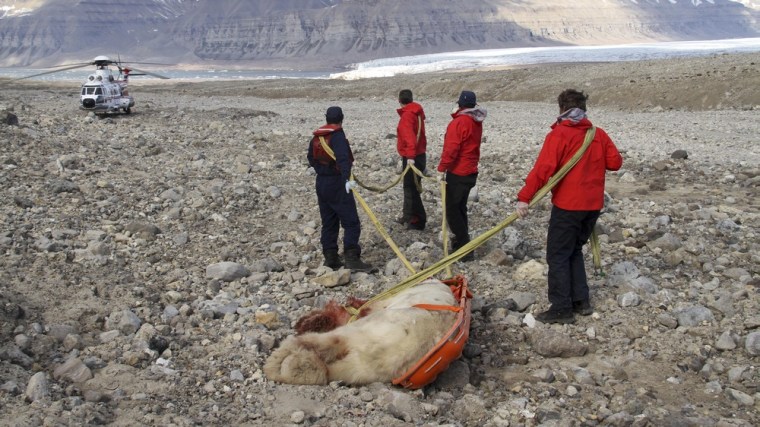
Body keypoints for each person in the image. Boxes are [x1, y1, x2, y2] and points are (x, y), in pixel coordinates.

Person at [516, 89, 623, 324]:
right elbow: (615, 163)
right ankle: (581, 301)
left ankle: (561, 307)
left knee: (557, 254)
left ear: (562, 109)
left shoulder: (559, 135)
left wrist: (524, 197)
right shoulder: (598, 134)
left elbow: (542, 171)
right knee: (573, 249)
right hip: (592, 206)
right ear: (584, 109)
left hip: (568, 205)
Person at [307, 106, 374, 272]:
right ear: (342, 118)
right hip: (337, 183)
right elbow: (343, 159)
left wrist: (322, 171)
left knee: (328, 221)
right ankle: (351, 258)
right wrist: (346, 179)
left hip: (321, 183)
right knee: (351, 222)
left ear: (326, 118)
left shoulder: (317, 137)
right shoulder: (337, 136)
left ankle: (330, 257)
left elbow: (310, 158)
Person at [437, 90, 487, 261]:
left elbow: (451, 149)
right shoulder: (475, 121)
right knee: (460, 208)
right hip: (470, 171)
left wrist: (442, 168)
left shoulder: (459, 123)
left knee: (452, 210)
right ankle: (462, 244)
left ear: (459, 104)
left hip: (458, 172)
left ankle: (464, 249)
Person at [395, 89, 427, 230]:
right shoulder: (417, 113)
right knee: (410, 187)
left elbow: (409, 138)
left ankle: (418, 220)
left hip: (412, 156)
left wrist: (410, 157)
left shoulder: (407, 116)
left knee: (411, 188)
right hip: (419, 154)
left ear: (400, 100)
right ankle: (408, 215)